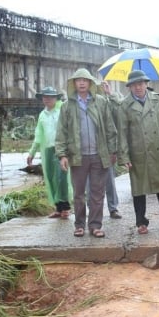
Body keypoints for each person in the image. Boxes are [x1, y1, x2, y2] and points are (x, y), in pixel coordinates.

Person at [55, 68, 121, 238]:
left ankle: (95, 225)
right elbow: (61, 132)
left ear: (90, 83)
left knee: (97, 193)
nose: (82, 83)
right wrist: (62, 155)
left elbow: (110, 128)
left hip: (99, 156)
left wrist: (113, 151)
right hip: (77, 157)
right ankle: (79, 225)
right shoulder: (67, 106)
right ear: (74, 84)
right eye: (79, 80)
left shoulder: (100, 102)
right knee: (78, 194)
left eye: (85, 80)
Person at [117, 70, 159, 234]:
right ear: (129, 87)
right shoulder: (125, 105)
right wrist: (124, 156)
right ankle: (141, 223)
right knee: (139, 189)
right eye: (134, 85)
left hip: (157, 150)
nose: (138, 87)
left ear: (146, 84)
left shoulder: (157, 99)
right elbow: (122, 133)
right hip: (137, 153)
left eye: (140, 83)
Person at [26, 86, 71, 218]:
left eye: (50, 97)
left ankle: (66, 208)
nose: (47, 99)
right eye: (45, 97)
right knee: (51, 178)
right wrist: (32, 153)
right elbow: (38, 136)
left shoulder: (63, 109)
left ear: (56, 98)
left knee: (62, 177)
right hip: (48, 150)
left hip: (61, 148)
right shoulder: (42, 115)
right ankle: (58, 208)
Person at [99, 79, 123, 219]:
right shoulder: (91, 102)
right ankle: (95, 210)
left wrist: (110, 94)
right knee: (92, 183)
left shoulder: (108, 101)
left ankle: (113, 208)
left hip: (107, 147)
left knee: (109, 180)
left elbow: (118, 111)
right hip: (91, 148)